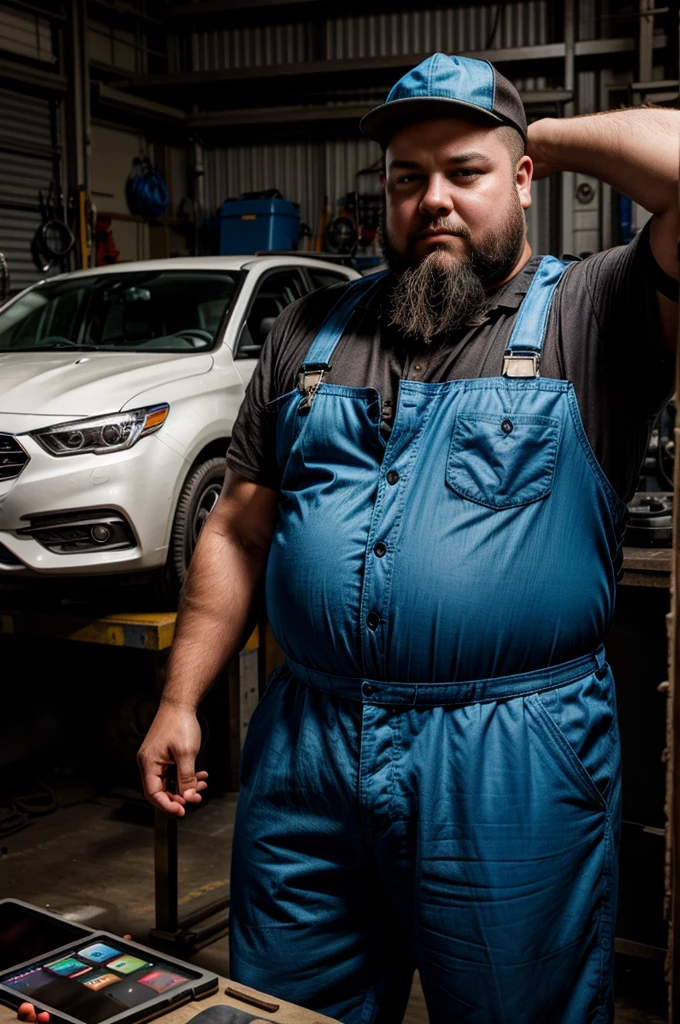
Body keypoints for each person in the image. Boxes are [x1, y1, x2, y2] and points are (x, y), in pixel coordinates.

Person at [137, 54, 679, 1024]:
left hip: (510, 764)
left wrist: (534, 135)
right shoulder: (306, 331)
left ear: (521, 180)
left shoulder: (593, 315)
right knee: (280, 1010)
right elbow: (237, 525)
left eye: (463, 171)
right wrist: (181, 697)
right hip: (306, 749)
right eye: (404, 178)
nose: (431, 199)